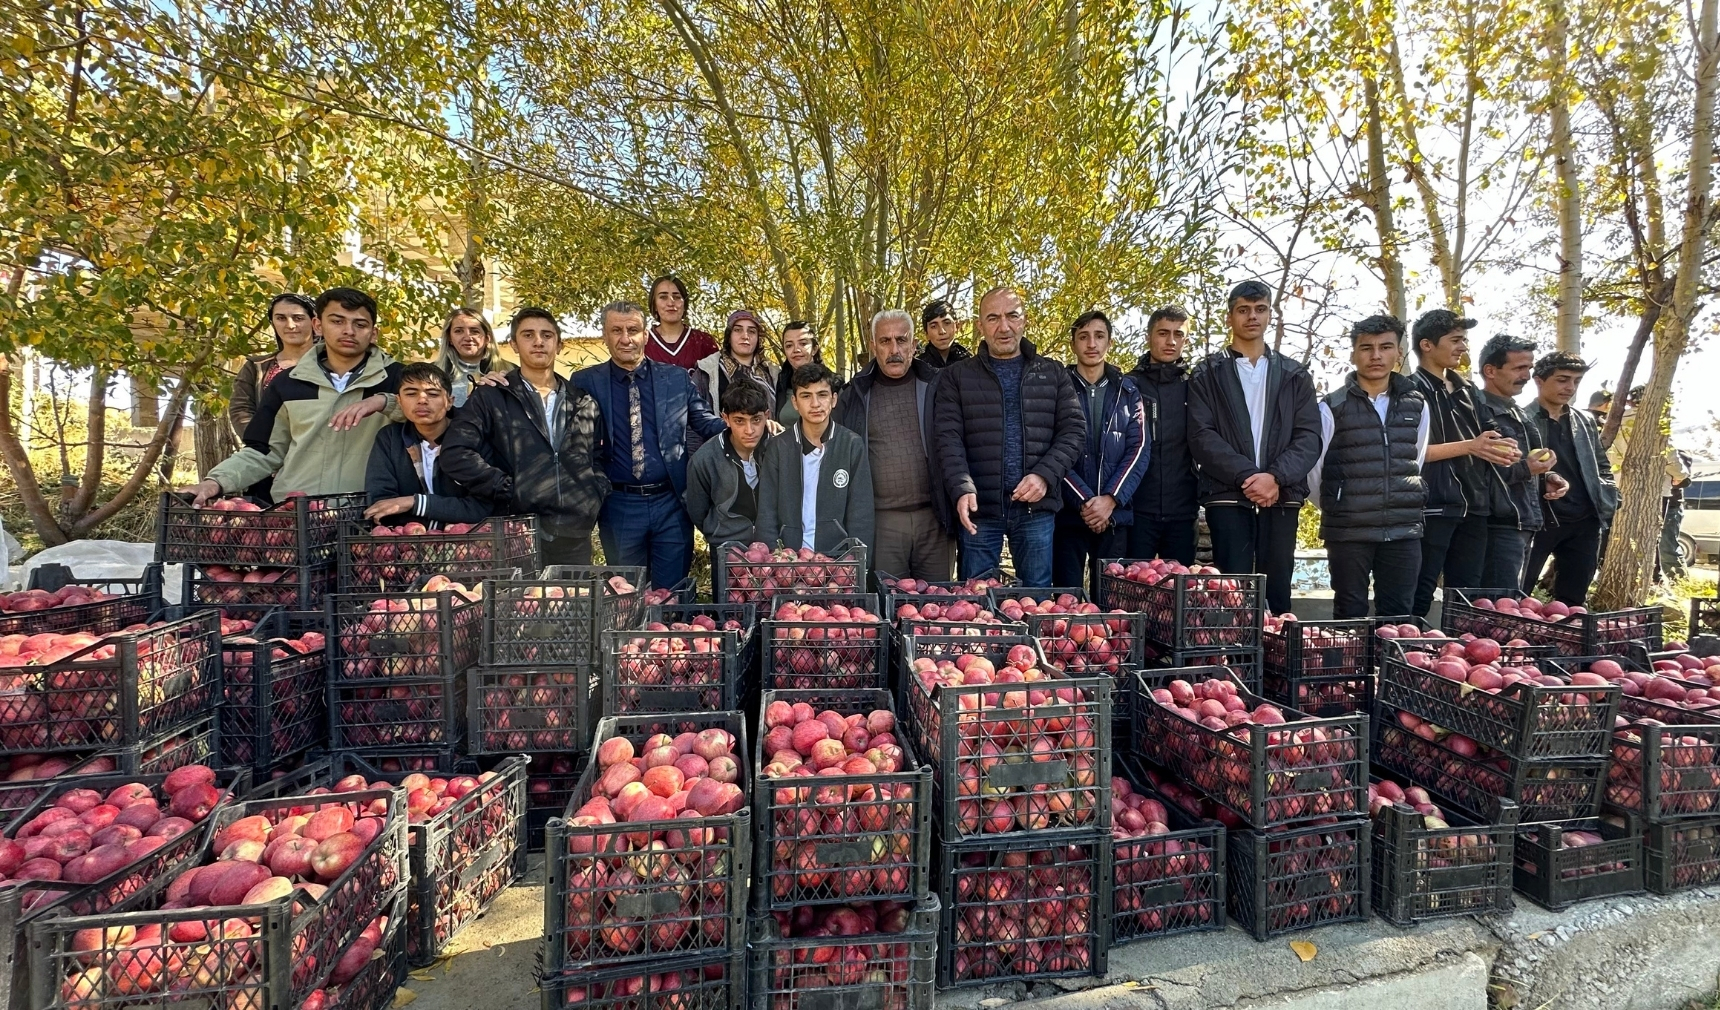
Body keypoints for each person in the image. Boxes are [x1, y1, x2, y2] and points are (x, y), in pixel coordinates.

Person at [188, 288, 402, 504]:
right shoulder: (288, 383)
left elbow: (432, 422)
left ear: (374, 333)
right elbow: (264, 450)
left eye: (360, 324)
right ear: (318, 325)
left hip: (370, 516)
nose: (349, 331)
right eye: (337, 321)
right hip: (295, 515)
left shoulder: (399, 379)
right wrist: (215, 481)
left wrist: (386, 401)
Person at [934, 286, 1086, 587]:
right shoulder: (957, 377)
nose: (1004, 327)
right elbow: (948, 439)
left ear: (1024, 320)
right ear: (980, 325)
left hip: (1036, 510)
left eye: (1012, 316)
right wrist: (962, 488)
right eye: (993, 318)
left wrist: (1044, 476)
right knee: (975, 609)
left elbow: (1073, 431)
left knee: (1037, 603)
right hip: (980, 510)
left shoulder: (1052, 373)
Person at [1186, 281, 1321, 615]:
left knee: (1277, 590)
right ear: (1229, 316)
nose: (1252, 317)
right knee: (1230, 595)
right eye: (1243, 310)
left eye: (1260, 309)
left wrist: (1274, 477)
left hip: (1282, 496)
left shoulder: (1295, 374)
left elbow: (1309, 437)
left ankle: (1274, 664)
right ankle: (1233, 664)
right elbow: (1201, 436)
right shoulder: (1206, 373)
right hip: (1228, 496)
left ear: (1270, 315)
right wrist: (1249, 476)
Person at [572, 301, 726, 587]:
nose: (625, 338)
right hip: (618, 504)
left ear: (645, 335)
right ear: (605, 335)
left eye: (633, 330)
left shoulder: (676, 378)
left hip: (670, 502)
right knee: (626, 595)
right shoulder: (585, 382)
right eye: (616, 330)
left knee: (671, 595)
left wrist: (745, 430)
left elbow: (705, 422)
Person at [440, 308, 608, 564]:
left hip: (573, 536)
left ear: (559, 345)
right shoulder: (492, 396)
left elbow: (598, 457)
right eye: (528, 335)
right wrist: (506, 487)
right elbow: (455, 453)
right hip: (515, 534)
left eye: (547, 335)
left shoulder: (583, 401)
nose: (539, 341)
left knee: (574, 603)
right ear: (514, 345)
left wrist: (593, 492)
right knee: (520, 604)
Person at [1305, 316, 1428, 618]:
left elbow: (1417, 457)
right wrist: (1338, 505)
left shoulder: (1417, 404)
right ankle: (1348, 668)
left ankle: (1393, 667)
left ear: (1399, 353)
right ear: (1353, 354)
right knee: (1350, 613)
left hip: (1402, 529)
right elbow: (1314, 471)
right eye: (1366, 348)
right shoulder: (1331, 406)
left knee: (1399, 615)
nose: (1376, 355)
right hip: (1348, 531)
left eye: (1385, 347)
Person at [1407, 309, 1518, 616]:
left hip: (1475, 507)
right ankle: (1405, 657)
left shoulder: (1469, 390)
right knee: (1418, 593)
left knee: (1467, 600)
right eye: (1456, 340)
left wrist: (1507, 449)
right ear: (1427, 345)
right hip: (1431, 506)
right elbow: (1410, 453)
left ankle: (1461, 657)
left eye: (1464, 340)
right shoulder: (1409, 391)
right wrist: (1471, 446)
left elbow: (1489, 436)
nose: (1463, 347)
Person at [833, 309, 955, 581]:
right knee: (888, 610)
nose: (894, 349)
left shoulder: (938, 386)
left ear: (914, 345)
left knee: (938, 609)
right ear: (873, 345)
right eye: (885, 341)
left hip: (934, 520)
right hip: (882, 523)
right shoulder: (854, 394)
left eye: (902, 340)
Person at [1053, 311, 1149, 591]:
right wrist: (1085, 501)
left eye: (1099, 336)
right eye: (1083, 337)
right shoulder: (1058, 388)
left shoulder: (1128, 391)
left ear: (1109, 342)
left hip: (1115, 516)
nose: (1091, 343)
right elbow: (1051, 449)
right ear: (1073, 344)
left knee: (1111, 606)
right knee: (1064, 603)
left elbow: (1139, 448)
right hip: (1068, 514)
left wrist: (1109, 500)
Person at [1524, 351, 1619, 605]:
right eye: (1563, 379)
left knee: (1573, 603)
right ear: (1539, 381)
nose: (1570, 387)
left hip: (1584, 522)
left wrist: (1609, 498)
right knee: (1518, 597)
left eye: (1576, 381)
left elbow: (1601, 465)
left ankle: (1567, 644)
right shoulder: (1522, 419)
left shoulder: (1585, 421)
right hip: (1539, 520)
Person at [1475, 335, 1567, 590]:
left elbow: (1521, 464)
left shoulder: (1519, 412)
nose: (1527, 375)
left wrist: (1547, 477)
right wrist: (1527, 468)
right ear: (1490, 371)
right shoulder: (1479, 412)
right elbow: (1478, 474)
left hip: (1525, 523)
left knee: (1511, 609)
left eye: (1529, 368)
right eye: (1518, 368)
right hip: (1497, 527)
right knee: (1496, 615)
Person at [757, 363, 874, 554]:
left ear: (834, 399)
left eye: (822, 395)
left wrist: (856, 565)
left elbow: (861, 514)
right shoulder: (779, 447)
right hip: (788, 560)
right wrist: (772, 562)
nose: (815, 404)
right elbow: (766, 513)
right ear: (794, 402)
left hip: (837, 560)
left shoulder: (851, 444)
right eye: (806, 396)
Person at [363, 362, 492, 525]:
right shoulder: (389, 439)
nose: (422, 400)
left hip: (469, 544)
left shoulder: (474, 437)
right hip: (407, 545)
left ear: (449, 401)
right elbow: (382, 506)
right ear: (399, 401)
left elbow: (483, 506)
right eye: (411, 394)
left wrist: (414, 503)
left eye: (432, 394)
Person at [1127, 305, 1199, 565]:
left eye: (1178, 334)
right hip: (1137, 512)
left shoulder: (1196, 386)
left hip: (1183, 511)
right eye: (1163, 333)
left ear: (1186, 340)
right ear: (1149, 336)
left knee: (1181, 596)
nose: (1170, 341)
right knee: (1130, 593)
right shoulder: (1129, 385)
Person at [1607, 387, 1690, 580]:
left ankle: (1617, 575)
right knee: (1650, 536)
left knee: (1619, 535)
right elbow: (1670, 457)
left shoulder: (1616, 421)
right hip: (1655, 491)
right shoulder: (1657, 422)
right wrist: (1681, 475)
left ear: (1630, 402)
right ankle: (1651, 578)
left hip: (1619, 486)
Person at [685, 381, 774, 548]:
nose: (749, 430)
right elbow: (698, 511)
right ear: (725, 418)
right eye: (739, 421)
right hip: (725, 549)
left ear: (767, 415)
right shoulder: (705, 459)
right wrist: (719, 532)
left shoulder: (780, 451)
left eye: (756, 420)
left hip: (775, 549)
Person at [691, 309, 779, 454]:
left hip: (766, 456)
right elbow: (694, 421)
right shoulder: (707, 371)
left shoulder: (772, 373)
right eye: (738, 330)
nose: (745, 336)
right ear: (729, 335)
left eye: (751, 331)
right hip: (721, 456)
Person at [230, 293, 317, 438]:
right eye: (281, 318)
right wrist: (261, 443)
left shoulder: (332, 364)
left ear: (315, 322)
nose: (290, 325)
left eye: (298, 318)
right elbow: (241, 410)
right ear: (273, 322)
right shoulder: (256, 367)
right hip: (270, 452)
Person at [645, 274, 719, 372]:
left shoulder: (704, 342)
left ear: (684, 304)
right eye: (663, 297)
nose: (671, 303)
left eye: (676, 297)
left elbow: (717, 382)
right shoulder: (643, 343)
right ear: (654, 304)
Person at [775, 322, 840, 427]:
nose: (796, 349)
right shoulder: (780, 384)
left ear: (814, 349)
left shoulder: (834, 384)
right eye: (789, 345)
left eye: (803, 343)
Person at [433, 307, 499, 408]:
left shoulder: (509, 372)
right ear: (449, 338)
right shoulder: (431, 374)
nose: (467, 337)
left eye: (474, 331)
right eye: (459, 331)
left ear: (487, 338)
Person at [916, 300, 971, 369]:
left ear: (956, 326)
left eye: (947, 323)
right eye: (934, 326)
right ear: (926, 333)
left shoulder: (970, 363)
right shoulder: (918, 367)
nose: (942, 331)